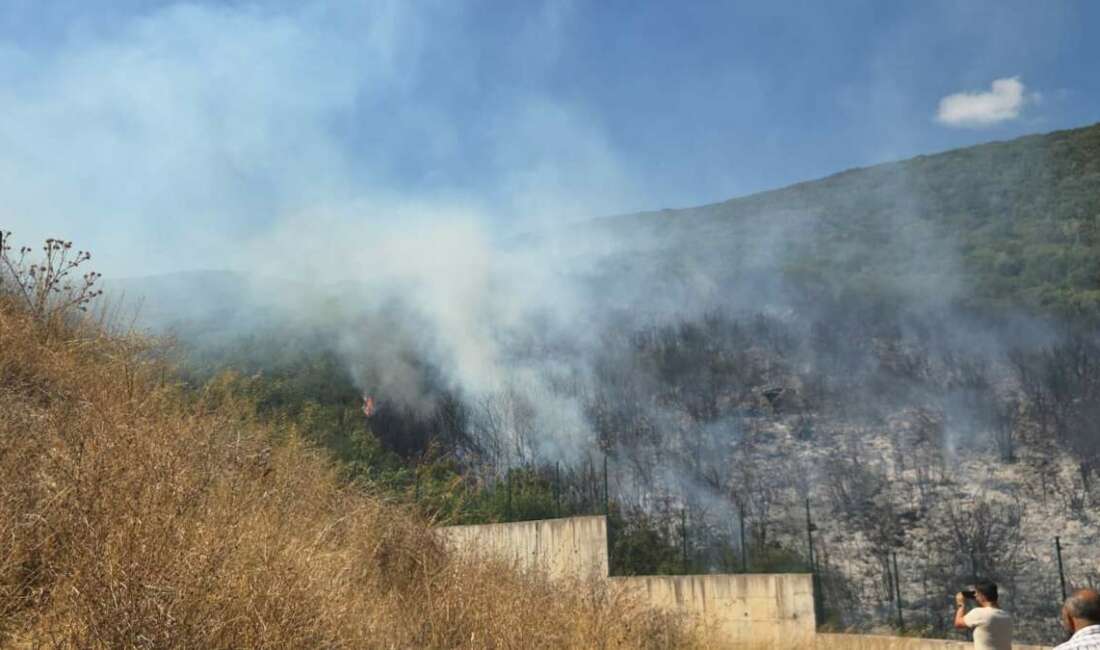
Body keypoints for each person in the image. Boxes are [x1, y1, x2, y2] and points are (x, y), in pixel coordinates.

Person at [954, 580, 1012, 650]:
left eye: (977, 594)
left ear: (983, 596)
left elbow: (958, 623)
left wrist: (961, 605)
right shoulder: (1006, 616)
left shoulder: (979, 613)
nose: (975, 596)